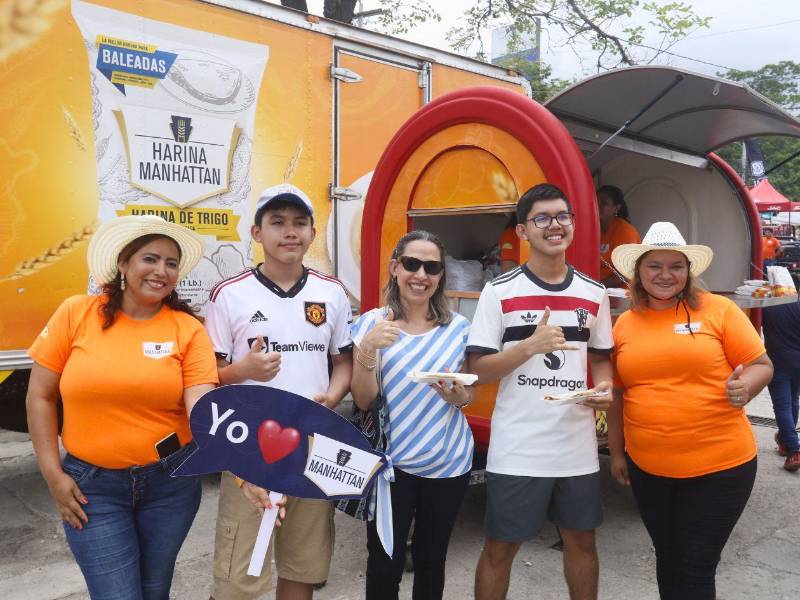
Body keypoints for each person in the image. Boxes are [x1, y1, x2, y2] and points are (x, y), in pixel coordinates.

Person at [26, 215, 219, 599]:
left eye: (171, 263)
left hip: (171, 484)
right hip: (92, 488)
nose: (161, 271)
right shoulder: (77, 313)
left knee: (153, 590)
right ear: (123, 263)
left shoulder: (188, 329)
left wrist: (244, 466)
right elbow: (40, 397)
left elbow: (201, 405)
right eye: (150, 258)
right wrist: (52, 475)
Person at [607, 222, 774, 600]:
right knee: (667, 558)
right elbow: (618, 393)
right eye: (654, 266)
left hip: (720, 468)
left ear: (689, 271)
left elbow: (762, 364)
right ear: (639, 272)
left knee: (695, 566)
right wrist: (617, 453)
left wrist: (745, 387)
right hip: (649, 469)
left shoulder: (721, 310)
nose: (665, 275)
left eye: (675, 266)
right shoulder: (625, 324)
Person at [206, 183, 353, 600]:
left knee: (302, 567)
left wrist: (334, 394)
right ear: (256, 233)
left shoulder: (332, 293)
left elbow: (342, 360)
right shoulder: (229, 295)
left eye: (300, 223)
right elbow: (208, 376)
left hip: (313, 443)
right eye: (278, 223)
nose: (290, 232)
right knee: (238, 579)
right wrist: (243, 370)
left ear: (311, 233)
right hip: (247, 444)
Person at [468, 183, 614, 600]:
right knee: (500, 547)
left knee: (582, 542)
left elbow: (601, 357)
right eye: (542, 218)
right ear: (522, 232)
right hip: (519, 445)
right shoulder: (499, 292)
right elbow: (478, 371)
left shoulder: (593, 293)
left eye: (562, 216)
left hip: (576, 445)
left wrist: (604, 387)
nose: (555, 226)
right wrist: (529, 346)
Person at [349, 229, 475, 600]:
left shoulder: (459, 328)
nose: (421, 275)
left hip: (449, 463)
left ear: (440, 276)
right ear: (395, 268)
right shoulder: (372, 323)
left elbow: (470, 395)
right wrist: (368, 349)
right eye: (412, 264)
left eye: (432, 267)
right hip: (392, 468)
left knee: (431, 559)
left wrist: (460, 398)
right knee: (384, 561)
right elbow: (363, 398)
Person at [762, 298, 800, 471]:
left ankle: (794, 450)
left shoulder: (768, 306)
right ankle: (785, 442)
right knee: (793, 400)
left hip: (778, 361)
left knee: (782, 406)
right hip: (798, 362)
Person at [596, 185, 640, 287]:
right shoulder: (594, 229)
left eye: (604, 203)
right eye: (596, 201)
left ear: (616, 208)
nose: (598, 205)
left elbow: (626, 274)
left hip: (621, 296)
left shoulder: (626, 231)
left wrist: (597, 287)